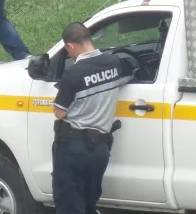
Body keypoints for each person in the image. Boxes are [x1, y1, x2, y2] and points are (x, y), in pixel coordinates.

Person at [51, 22, 135, 214]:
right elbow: (129, 75)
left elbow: (59, 112)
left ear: (70, 46)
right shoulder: (114, 63)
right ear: (89, 40)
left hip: (73, 149)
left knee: (69, 205)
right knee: (89, 204)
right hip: (100, 150)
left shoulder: (73, 74)